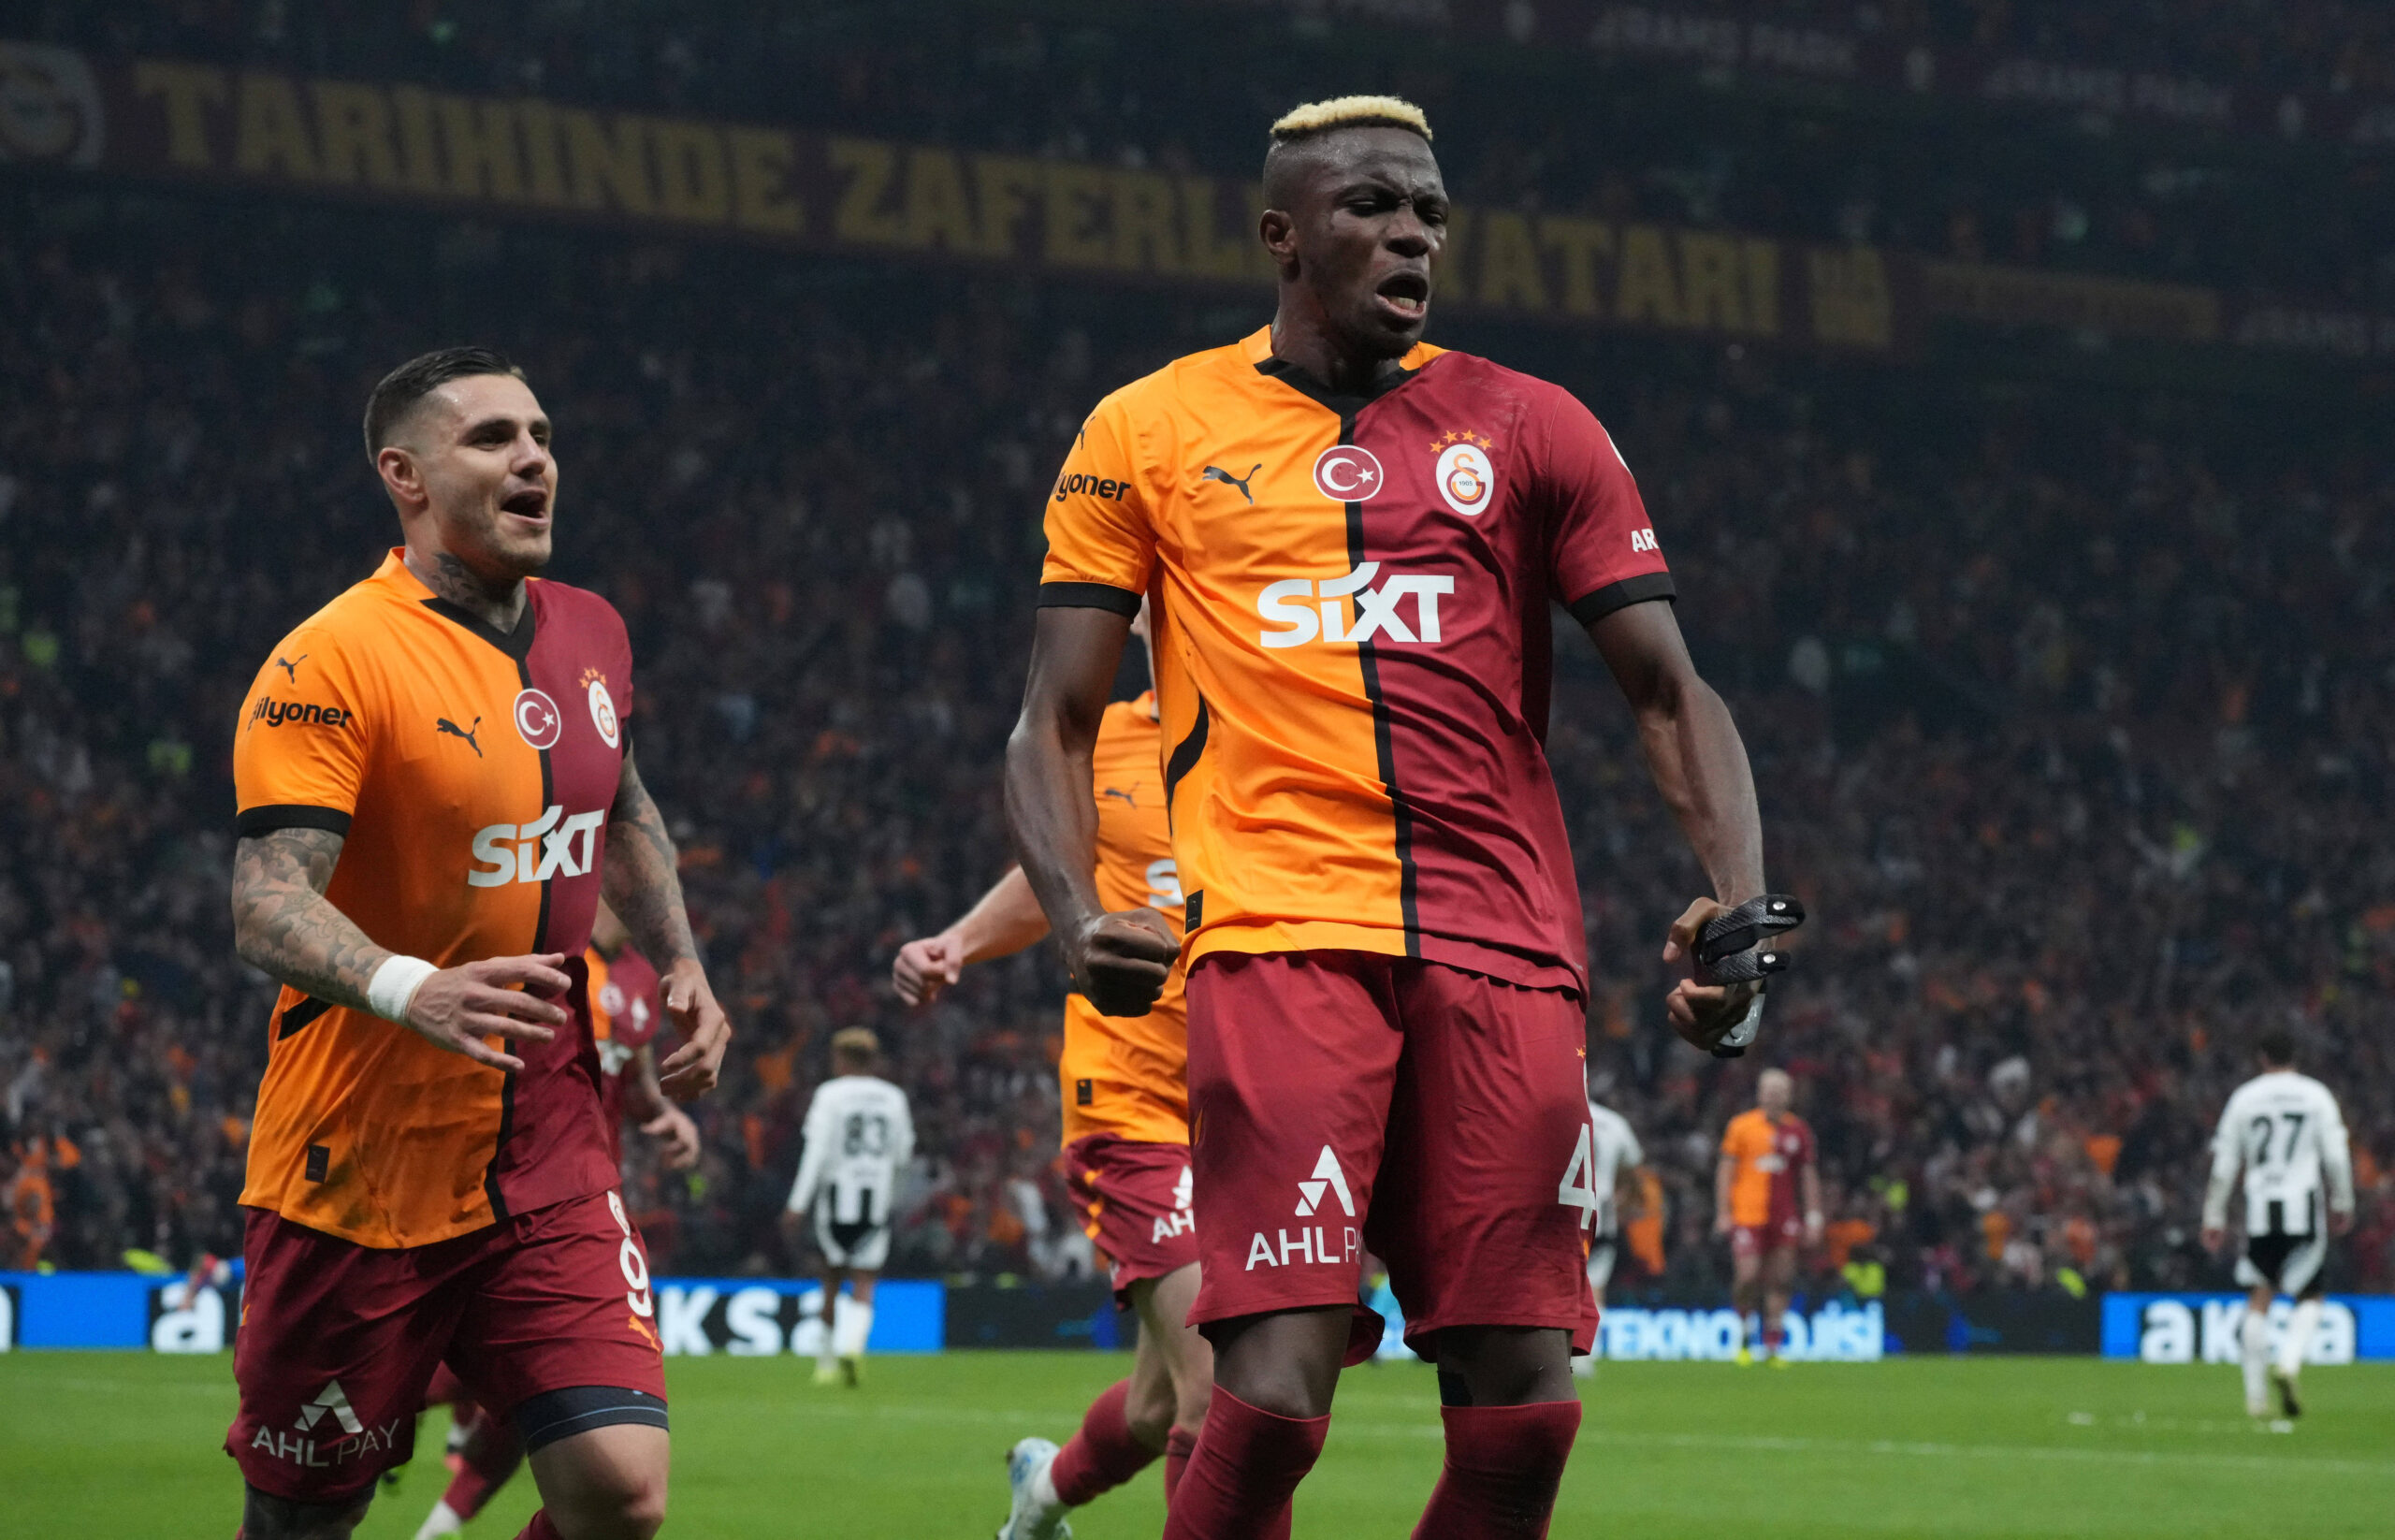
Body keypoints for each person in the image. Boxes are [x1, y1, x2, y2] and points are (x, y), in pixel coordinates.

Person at [1003, 94, 1785, 1537]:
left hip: (1508, 956)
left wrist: (1738, 909)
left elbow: (1671, 692)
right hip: (1279, 940)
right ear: (1281, 235)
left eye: (1429, 210)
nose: (1413, 233)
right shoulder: (1150, 427)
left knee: (1526, 1403)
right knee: (1279, 1386)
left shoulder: (1535, 425)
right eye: (1372, 206)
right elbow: (1052, 718)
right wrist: (1073, 916)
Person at [225, 346, 731, 1540]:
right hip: (360, 1160)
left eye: (542, 434)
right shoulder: (331, 657)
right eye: (494, 437)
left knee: (621, 1489)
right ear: (404, 474)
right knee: (303, 1520)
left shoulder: (593, 629)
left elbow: (623, 804)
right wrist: (412, 988)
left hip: (546, 1137)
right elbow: (263, 898)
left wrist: (686, 959)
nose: (535, 458)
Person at [892, 605, 1213, 1537]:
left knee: (1157, 1405)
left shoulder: (1281, 734)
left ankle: (1039, 1494)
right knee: (1218, 1385)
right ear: (1148, 620)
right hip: (1134, 1101)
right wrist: (956, 940)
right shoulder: (1103, 738)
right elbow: (1051, 879)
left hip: (1252, 1104)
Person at [414, 903, 701, 1540]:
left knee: (554, 1406)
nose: (663, 890)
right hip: (495, 1194)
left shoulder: (638, 981)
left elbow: (634, 1079)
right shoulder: (541, 954)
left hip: (585, 1207)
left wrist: (665, 1117)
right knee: (417, 1385)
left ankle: (435, 1525)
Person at [2200, 1030, 2355, 1422]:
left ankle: (2255, 1399)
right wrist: (2342, 1202)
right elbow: (2336, 1157)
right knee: (2312, 1294)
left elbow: (2224, 1167)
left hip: (2259, 1209)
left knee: (2259, 1297)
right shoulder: (2316, 1095)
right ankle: (2288, 1362)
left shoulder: (2244, 1098)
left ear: (2261, 1057)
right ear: (2295, 1056)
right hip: (2302, 1206)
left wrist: (2214, 1217)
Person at [783, 1027, 915, 1387]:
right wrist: (893, 1196)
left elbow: (817, 1151)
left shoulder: (830, 1094)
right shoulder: (894, 1098)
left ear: (841, 1059)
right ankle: (853, 1345)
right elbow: (903, 1154)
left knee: (830, 1278)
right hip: (875, 1201)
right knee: (864, 1281)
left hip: (836, 1198)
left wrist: (797, 1203)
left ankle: (825, 1365)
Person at [1716, 1068, 1821, 1366]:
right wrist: (1724, 1211)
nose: (1774, 1096)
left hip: (1785, 1215)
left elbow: (1807, 1175)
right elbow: (1726, 1170)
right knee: (1747, 1275)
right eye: (1769, 1091)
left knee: (1781, 1278)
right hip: (1748, 1214)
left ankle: (1773, 1344)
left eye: (1780, 1091)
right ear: (1760, 1094)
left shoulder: (1798, 1130)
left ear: (1789, 1096)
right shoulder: (1741, 1126)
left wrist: (1813, 1216)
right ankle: (1744, 1335)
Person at [1567, 1092, 1645, 1378]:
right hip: (1603, 1216)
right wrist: (1619, 1204)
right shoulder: (1615, 1123)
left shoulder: (1559, 1114)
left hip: (1564, 1213)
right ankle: (1587, 1353)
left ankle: (1556, 1352)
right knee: (1594, 1285)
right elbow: (1635, 1172)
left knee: (1560, 1283)